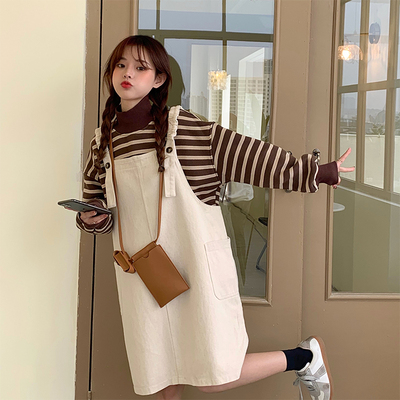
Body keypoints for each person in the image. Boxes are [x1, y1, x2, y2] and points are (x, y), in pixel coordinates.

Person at [76, 35, 354, 400]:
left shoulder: (182, 128)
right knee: (159, 373)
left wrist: (315, 171)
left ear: (158, 79)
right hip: (140, 273)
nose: (127, 73)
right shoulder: (102, 142)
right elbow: (95, 204)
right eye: (121, 65)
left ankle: (303, 357)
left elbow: (247, 155)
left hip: (194, 268)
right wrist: (92, 219)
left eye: (140, 67)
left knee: (215, 374)